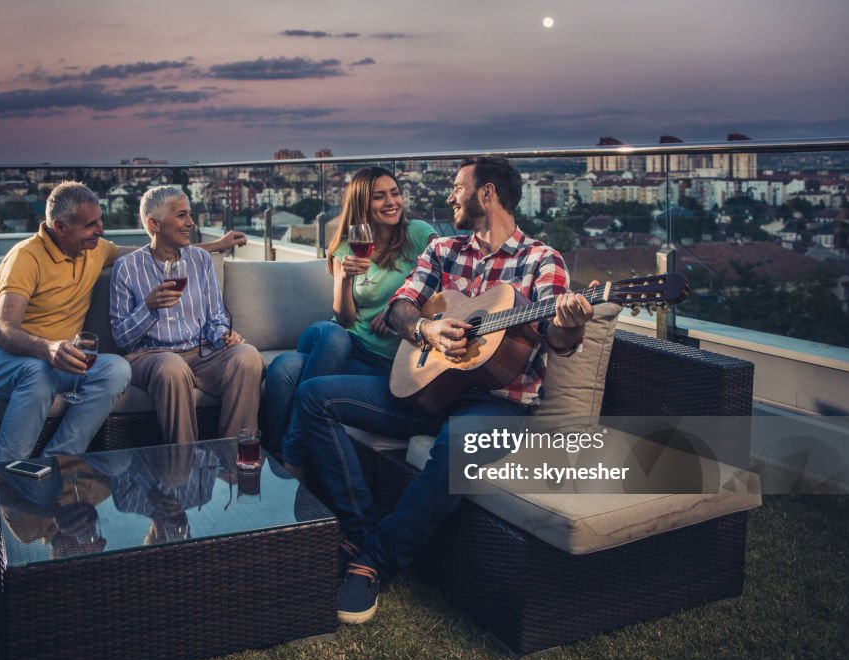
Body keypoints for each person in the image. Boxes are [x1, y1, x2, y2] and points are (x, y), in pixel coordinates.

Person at [294, 157, 594, 624]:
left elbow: (557, 340)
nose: (449, 196)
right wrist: (426, 331)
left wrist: (570, 326)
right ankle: (360, 523)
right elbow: (400, 308)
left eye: (457, 187)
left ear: (487, 193)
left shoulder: (541, 260)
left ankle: (373, 559)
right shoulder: (444, 250)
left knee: (456, 446)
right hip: (429, 390)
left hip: (497, 406)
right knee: (314, 397)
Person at [0, 181, 246, 574]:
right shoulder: (25, 258)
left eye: (100, 224)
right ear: (60, 227)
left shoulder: (94, 249)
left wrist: (211, 248)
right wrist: (47, 349)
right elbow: (3, 329)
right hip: (2, 356)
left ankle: (52, 470)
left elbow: (149, 250)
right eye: (91, 225)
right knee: (39, 375)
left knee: (116, 368)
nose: (101, 232)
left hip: (60, 357)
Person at [263, 167, 436, 479]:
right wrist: (343, 278)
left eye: (395, 193)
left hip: (375, 361)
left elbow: (452, 276)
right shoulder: (348, 243)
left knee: (285, 368)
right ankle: (294, 456)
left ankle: (277, 458)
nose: (391, 202)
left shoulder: (419, 234)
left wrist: (404, 308)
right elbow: (344, 318)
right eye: (379, 197)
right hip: (335, 339)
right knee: (335, 337)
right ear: (362, 204)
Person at [110, 186, 265, 445]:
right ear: (154, 223)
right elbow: (121, 340)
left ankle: (233, 459)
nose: (191, 223)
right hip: (151, 357)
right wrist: (148, 308)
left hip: (201, 352)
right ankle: (184, 467)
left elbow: (215, 316)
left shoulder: (200, 259)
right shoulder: (126, 268)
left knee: (248, 357)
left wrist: (224, 335)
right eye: (182, 215)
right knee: (173, 368)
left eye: (189, 214)